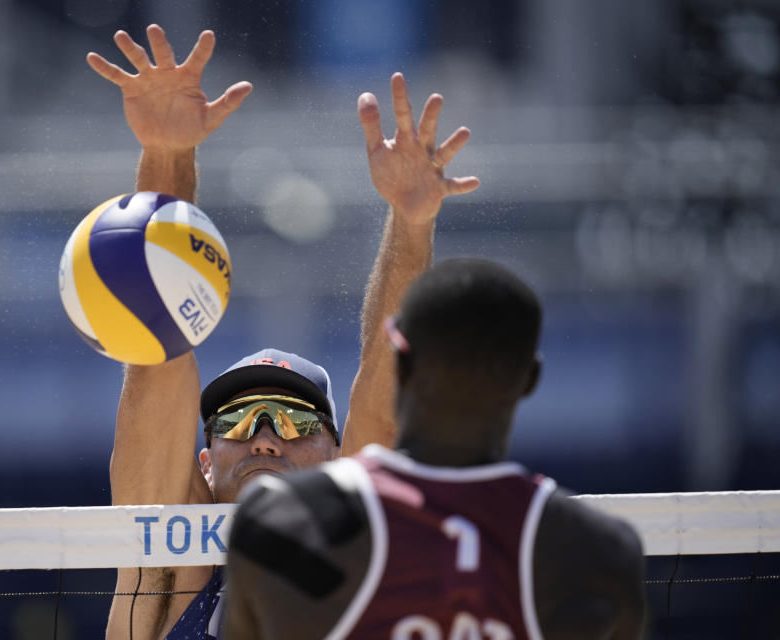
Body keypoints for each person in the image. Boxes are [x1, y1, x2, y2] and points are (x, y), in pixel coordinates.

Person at [85, 25, 481, 640]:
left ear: (338, 463)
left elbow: (383, 389)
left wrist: (411, 223)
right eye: (238, 424)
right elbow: (158, 351)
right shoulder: (163, 579)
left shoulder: (360, 570)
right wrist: (167, 155)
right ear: (205, 468)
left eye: (295, 423)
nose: (265, 441)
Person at [224, 258, 648, 640]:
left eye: (296, 424)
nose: (265, 439)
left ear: (402, 367)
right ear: (530, 380)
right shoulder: (602, 552)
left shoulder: (281, 521)